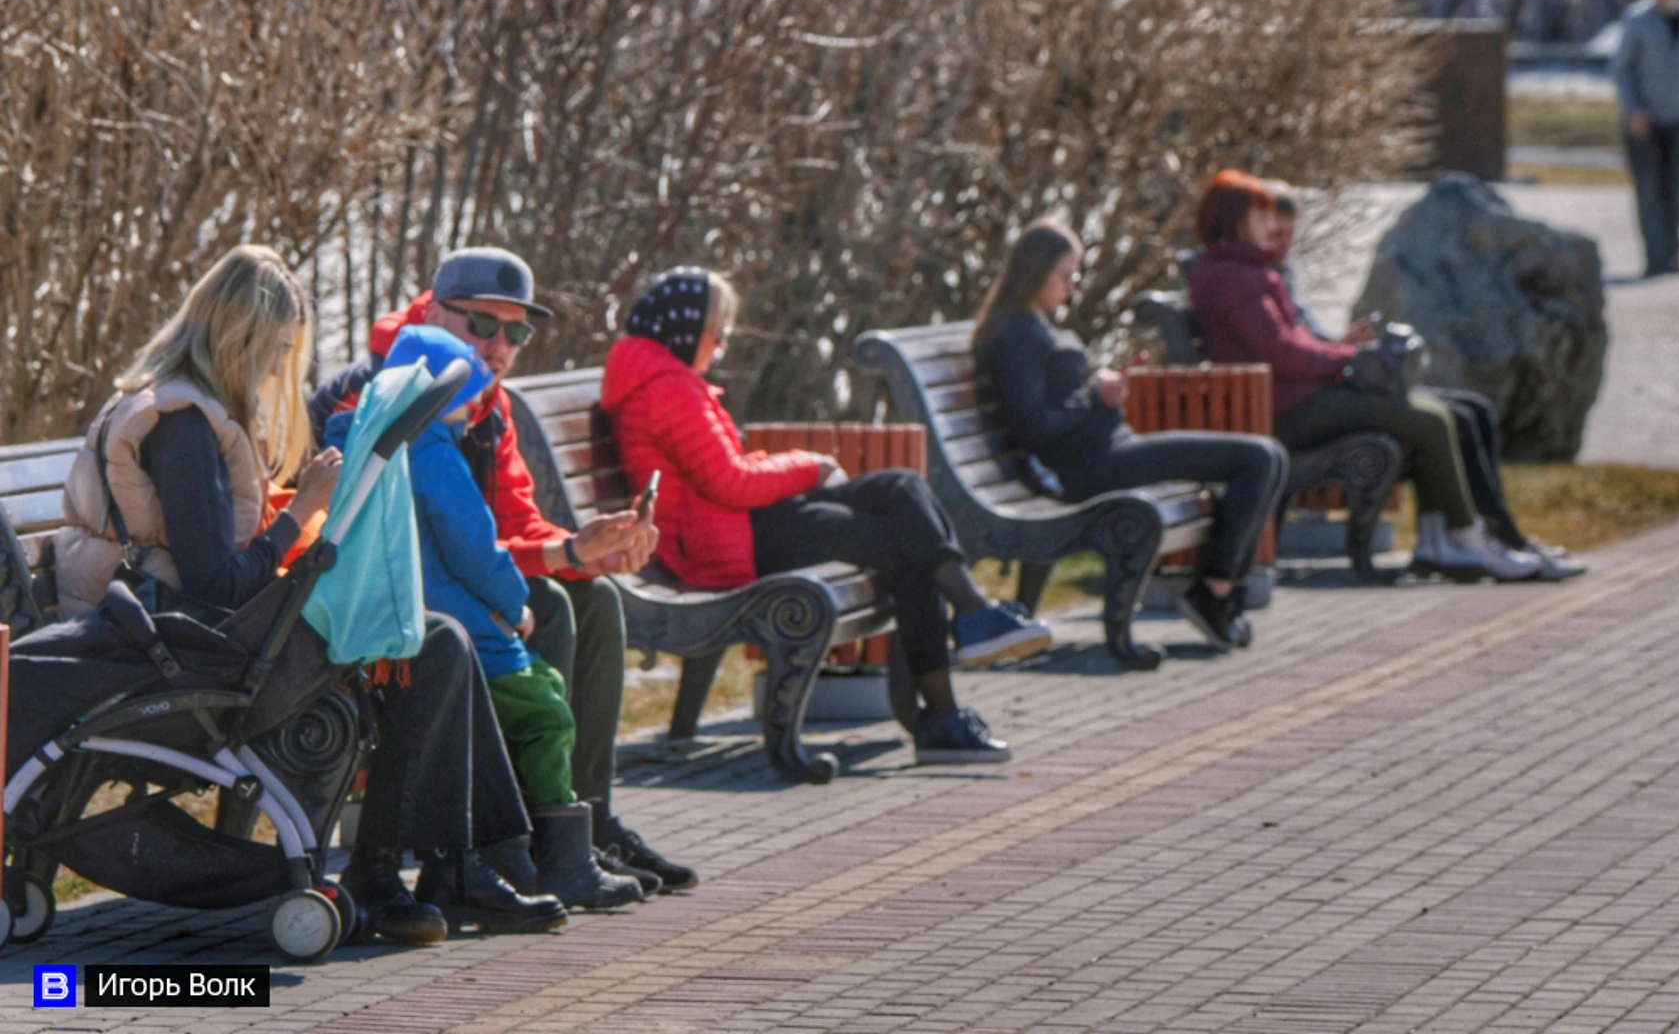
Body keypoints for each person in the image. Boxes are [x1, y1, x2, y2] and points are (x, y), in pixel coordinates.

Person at [52, 246, 565, 944]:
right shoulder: (182, 427)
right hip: (184, 653)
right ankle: (396, 874)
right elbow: (215, 583)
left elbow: (214, 554)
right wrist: (303, 513)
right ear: (239, 338)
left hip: (188, 634)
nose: (273, 370)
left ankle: (452, 866)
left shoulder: (185, 409)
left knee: (428, 636)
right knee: (432, 642)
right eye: (274, 351)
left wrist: (298, 511)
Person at [310, 247, 697, 894]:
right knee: (553, 606)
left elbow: (512, 520)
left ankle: (584, 821)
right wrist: (556, 560)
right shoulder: (385, 388)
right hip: (391, 599)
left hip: (465, 580)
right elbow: (415, 535)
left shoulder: (487, 402)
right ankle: (533, 838)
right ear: (434, 310)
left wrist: (583, 546)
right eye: (482, 325)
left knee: (593, 597)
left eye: (516, 331)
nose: (500, 345)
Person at [602, 268, 1047, 764]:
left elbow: (723, 473)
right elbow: (729, 481)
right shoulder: (667, 388)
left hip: (739, 526)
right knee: (906, 546)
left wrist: (796, 469)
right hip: (727, 546)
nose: (722, 347)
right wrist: (812, 467)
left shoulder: (666, 380)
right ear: (686, 330)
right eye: (719, 333)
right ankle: (948, 700)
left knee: (901, 487)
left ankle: (971, 620)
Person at [1203, 174, 1583, 579]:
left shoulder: (1245, 272)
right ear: (1235, 221)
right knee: (1432, 419)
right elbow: (1281, 350)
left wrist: (1342, 354)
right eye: (1260, 217)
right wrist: (1347, 359)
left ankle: (1452, 540)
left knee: (1439, 413)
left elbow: (1287, 343)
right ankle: (1466, 540)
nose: (1271, 227)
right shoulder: (1235, 278)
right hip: (1287, 411)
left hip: (1297, 399)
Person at [975, 221, 1288, 647]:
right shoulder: (1016, 336)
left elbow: (1059, 403)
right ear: (1034, 272)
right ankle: (1214, 592)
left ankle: (1218, 589)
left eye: (1076, 276)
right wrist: (1095, 395)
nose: (1072, 287)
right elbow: (1036, 428)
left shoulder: (1033, 325)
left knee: (1269, 457)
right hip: (1092, 468)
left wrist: (1100, 388)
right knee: (1259, 458)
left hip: (1112, 452)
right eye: (1065, 277)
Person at [1611, 0, 1679, 277]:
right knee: (1649, 189)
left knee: (1676, 186)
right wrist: (1633, 109)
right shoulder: (1636, 19)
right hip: (1644, 120)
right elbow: (1621, 69)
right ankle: (1656, 259)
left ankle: (1675, 253)